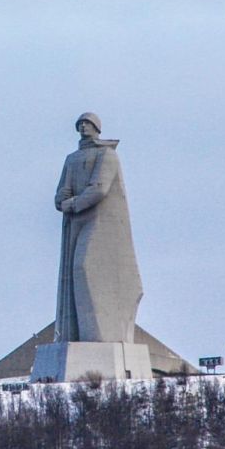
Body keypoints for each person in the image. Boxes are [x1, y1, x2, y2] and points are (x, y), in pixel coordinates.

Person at [54, 113, 144, 344]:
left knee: (84, 267)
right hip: (76, 221)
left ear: (97, 127)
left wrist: (72, 204)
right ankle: (80, 337)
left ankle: (101, 337)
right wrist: (62, 200)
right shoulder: (72, 159)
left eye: (88, 123)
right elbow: (63, 189)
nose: (83, 127)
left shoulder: (108, 155)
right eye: (80, 124)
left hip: (101, 222)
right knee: (73, 275)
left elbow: (99, 188)